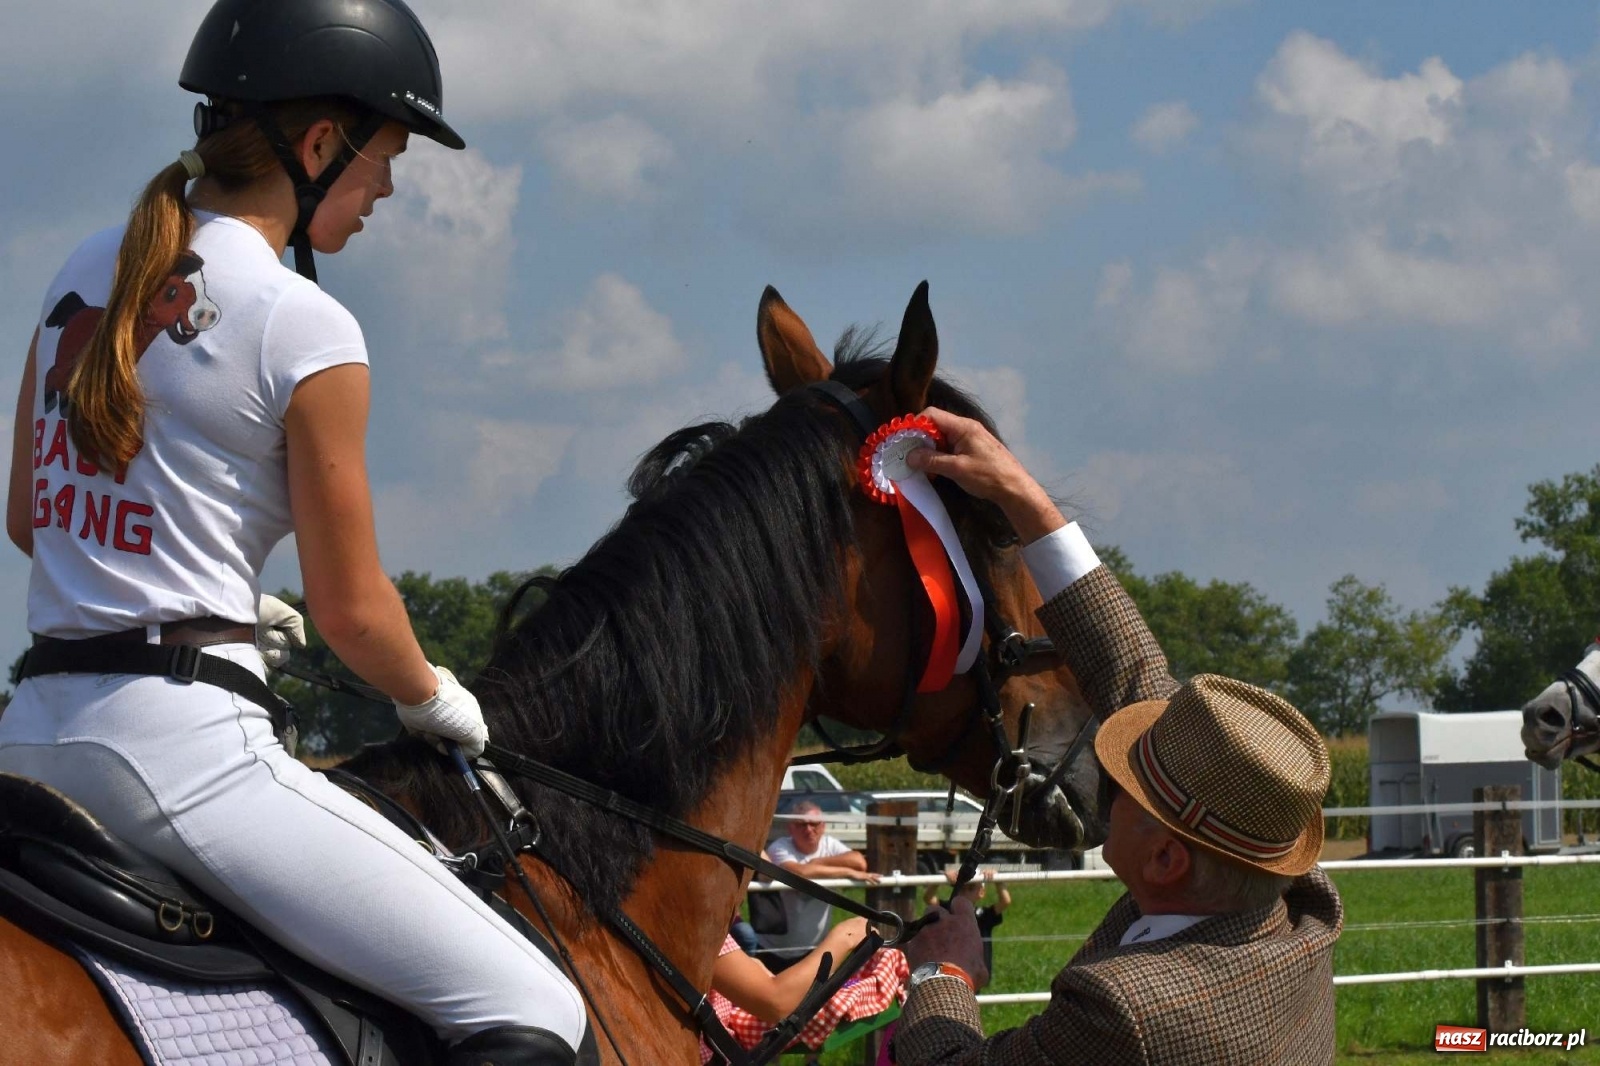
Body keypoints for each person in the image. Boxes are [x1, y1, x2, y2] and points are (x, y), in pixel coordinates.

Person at [0, 2, 586, 1063]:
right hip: (179, 759)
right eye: (383, 158)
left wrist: (194, 587)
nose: (386, 191)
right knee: (538, 1008)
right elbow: (355, 615)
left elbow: (29, 521)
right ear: (318, 146)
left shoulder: (80, 269)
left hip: (31, 734)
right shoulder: (302, 321)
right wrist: (429, 696)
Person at [889, 408, 1343, 1066]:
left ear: (1166, 861)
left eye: (1123, 783)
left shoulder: (1125, 1012)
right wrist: (1021, 497)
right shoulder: (1292, 900)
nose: (1104, 765)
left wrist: (944, 976)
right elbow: (1137, 679)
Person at [758, 800, 881, 969]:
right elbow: (798, 873)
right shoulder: (780, 847)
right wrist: (846, 872)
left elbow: (859, 862)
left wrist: (818, 862)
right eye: (801, 825)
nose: (808, 829)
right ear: (790, 828)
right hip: (773, 948)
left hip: (813, 949)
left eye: (814, 824)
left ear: (823, 826)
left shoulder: (829, 844)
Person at [922, 870, 1010, 984]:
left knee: (973, 999)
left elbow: (1005, 901)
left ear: (981, 892)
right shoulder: (949, 910)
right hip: (953, 970)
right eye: (961, 888)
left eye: (971, 888)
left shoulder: (983, 914)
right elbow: (928, 898)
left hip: (977, 970)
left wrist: (998, 881)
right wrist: (939, 879)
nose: (964, 893)